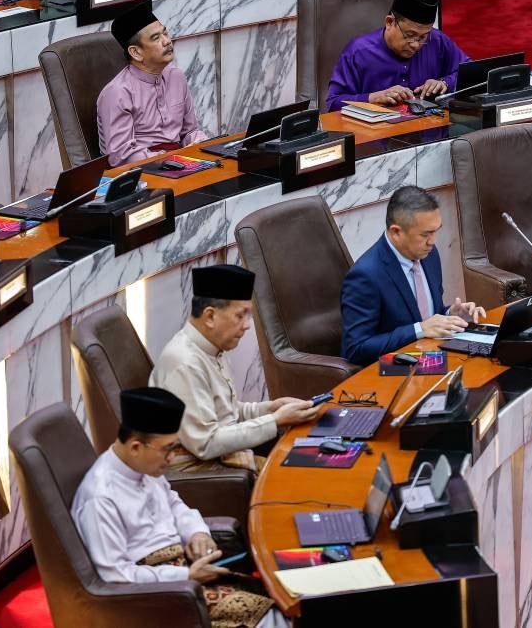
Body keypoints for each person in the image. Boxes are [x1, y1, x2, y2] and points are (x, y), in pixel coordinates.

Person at [72, 387, 288, 628]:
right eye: (168, 449)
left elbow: (173, 503)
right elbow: (116, 577)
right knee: (272, 619)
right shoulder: (100, 498)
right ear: (135, 447)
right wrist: (184, 576)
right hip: (159, 598)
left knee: (284, 594)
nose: (172, 458)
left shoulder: (143, 466)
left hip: (187, 570)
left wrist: (196, 532)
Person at [152, 265, 319, 474]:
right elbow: (206, 443)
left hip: (228, 458)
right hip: (203, 473)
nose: (247, 325)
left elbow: (224, 412)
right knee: (308, 473)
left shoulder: (212, 347)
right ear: (210, 316)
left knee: (319, 457)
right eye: (240, 316)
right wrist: (276, 420)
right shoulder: (185, 362)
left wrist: (270, 408)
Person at [341, 186, 485, 366]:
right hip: (393, 369)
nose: (433, 241)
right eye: (425, 234)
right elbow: (356, 349)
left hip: (432, 357)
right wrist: (419, 329)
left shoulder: (429, 254)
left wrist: (450, 315)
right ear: (396, 232)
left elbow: (426, 316)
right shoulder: (365, 275)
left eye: (436, 231)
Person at [325, 0, 470, 111]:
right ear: (389, 22)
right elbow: (333, 103)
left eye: (422, 37)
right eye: (409, 35)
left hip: (430, 128)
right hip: (376, 132)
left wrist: (444, 83)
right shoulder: (358, 52)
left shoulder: (437, 40)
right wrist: (372, 97)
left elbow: (471, 74)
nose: (416, 45)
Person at [98, 2, 207, 167]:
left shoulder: (176, 77)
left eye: (165, 33)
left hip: (179, 163)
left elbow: (189, 132)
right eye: (156, 38)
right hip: (142, 171)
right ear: (136, 52)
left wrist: (199, 141)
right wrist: (163, 158)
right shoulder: (117, 92)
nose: (167, 41)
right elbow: (120, 156)